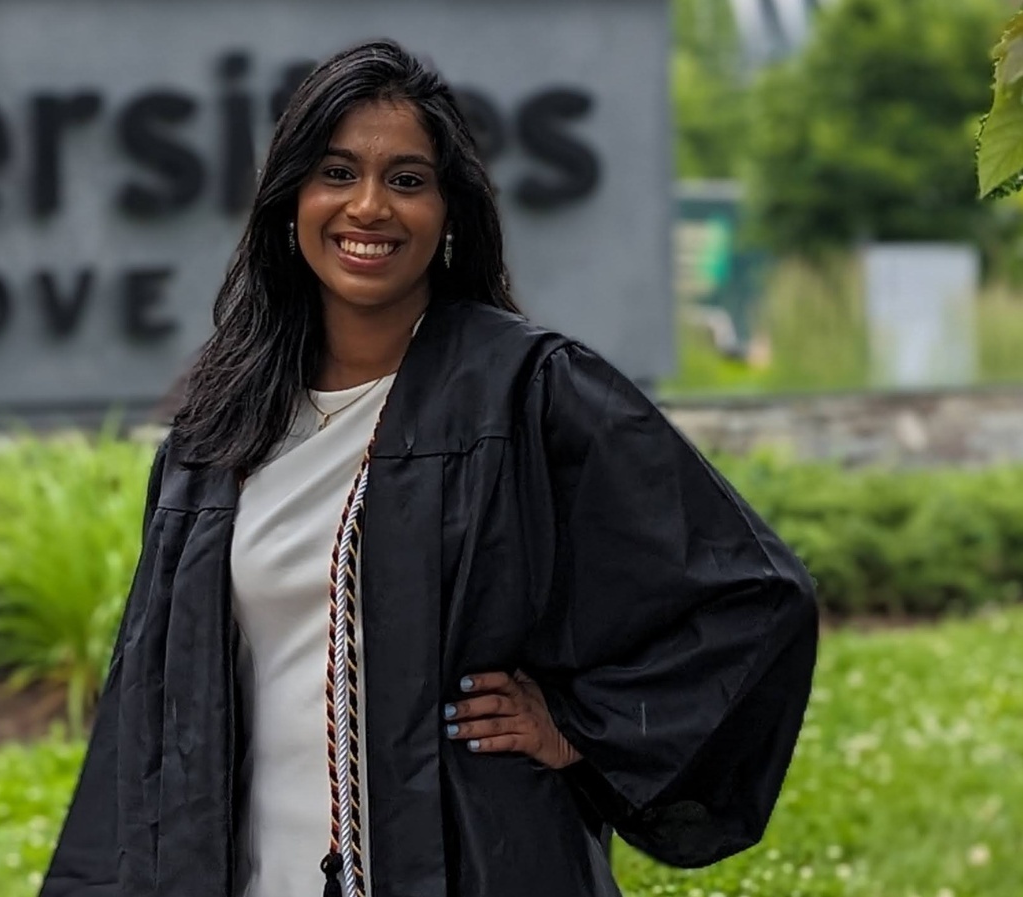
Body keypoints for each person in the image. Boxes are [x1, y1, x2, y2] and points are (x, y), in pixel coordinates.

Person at [40, 39, 818, 897]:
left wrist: (580, 726)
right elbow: (151, 705)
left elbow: (749, 594)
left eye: (407, 179)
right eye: (337, 172)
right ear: (290, 197)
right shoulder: (220, 427)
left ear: (449, 210)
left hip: (471, 866)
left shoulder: (525, 391)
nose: (368, 206)